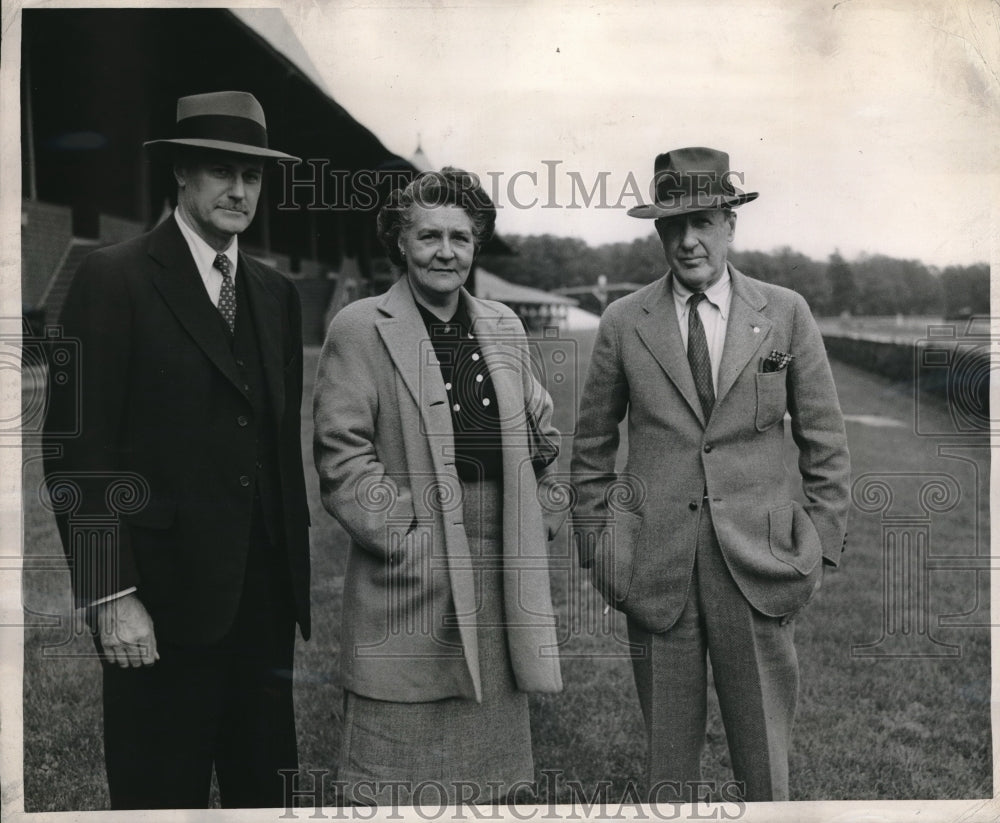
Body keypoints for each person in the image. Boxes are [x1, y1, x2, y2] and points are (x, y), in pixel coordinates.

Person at [42, 91, 311, 809]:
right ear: (180, 178)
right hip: (156, 603)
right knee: (160, 797)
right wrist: (109, 592)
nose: (239, 190)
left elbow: (275, 448)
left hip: (261, 606)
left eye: (252, 176)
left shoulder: (275, 293)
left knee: (268, 795)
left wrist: (291, 583)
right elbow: (75, 447)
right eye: (220, 171)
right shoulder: (113, 278)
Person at [571, 147, 850, 802]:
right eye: (672, 225)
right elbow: (590, 444)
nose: (687, 240)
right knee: (668, 767)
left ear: (730, 224)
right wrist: (601, 546)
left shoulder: (785, 312)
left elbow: (826, 440)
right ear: (658, 232)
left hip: (759, 563)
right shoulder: (623, 321)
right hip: (654, 565)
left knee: (765, 763)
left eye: (702, 221)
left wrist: (819, 545)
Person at [313, 167, 564, 806]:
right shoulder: (359, 327)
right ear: (400, 241)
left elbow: (541, 437)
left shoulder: (503, 326)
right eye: (428, 236)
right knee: (393, 781)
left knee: (489, 789)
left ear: (476, 243)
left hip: (496, 567)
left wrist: (538, 491)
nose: (445, 252)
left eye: (460, 236)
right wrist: (406, 539)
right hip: (410, 570)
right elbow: (343, 459)